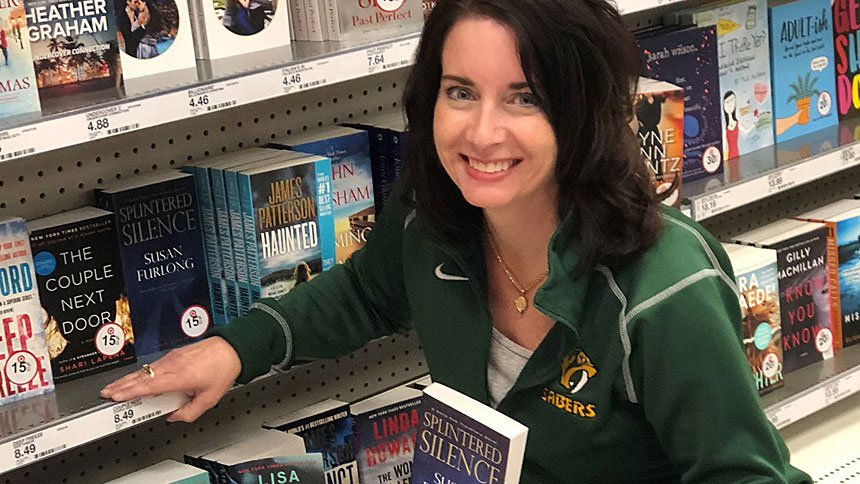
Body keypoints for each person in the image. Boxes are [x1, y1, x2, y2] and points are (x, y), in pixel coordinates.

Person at [101, 0, 813, 482]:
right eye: (460, 91)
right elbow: (364, 292)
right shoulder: (433, 214)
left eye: (524, 98)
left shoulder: (663, 285)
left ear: (583, 109)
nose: (481, 133)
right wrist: (233, 349)